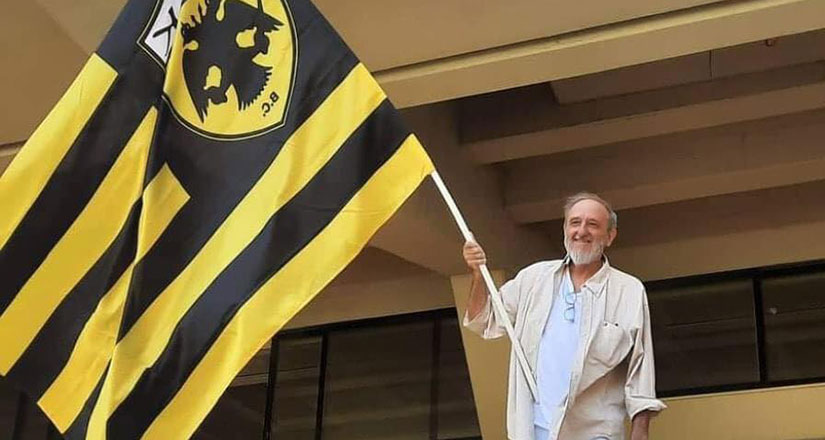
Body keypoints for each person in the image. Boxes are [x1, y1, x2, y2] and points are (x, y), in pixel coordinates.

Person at [463, 192, 665, 440]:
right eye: (575, 222)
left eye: (593, 224)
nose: (582, 231)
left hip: (596, 433)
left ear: (610, 236)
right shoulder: (533, 278)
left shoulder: (629, 290)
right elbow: (483, 320)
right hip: (534, 430)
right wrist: (476, 274)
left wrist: (640, 431)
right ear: (565, 229)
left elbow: (640, 368)